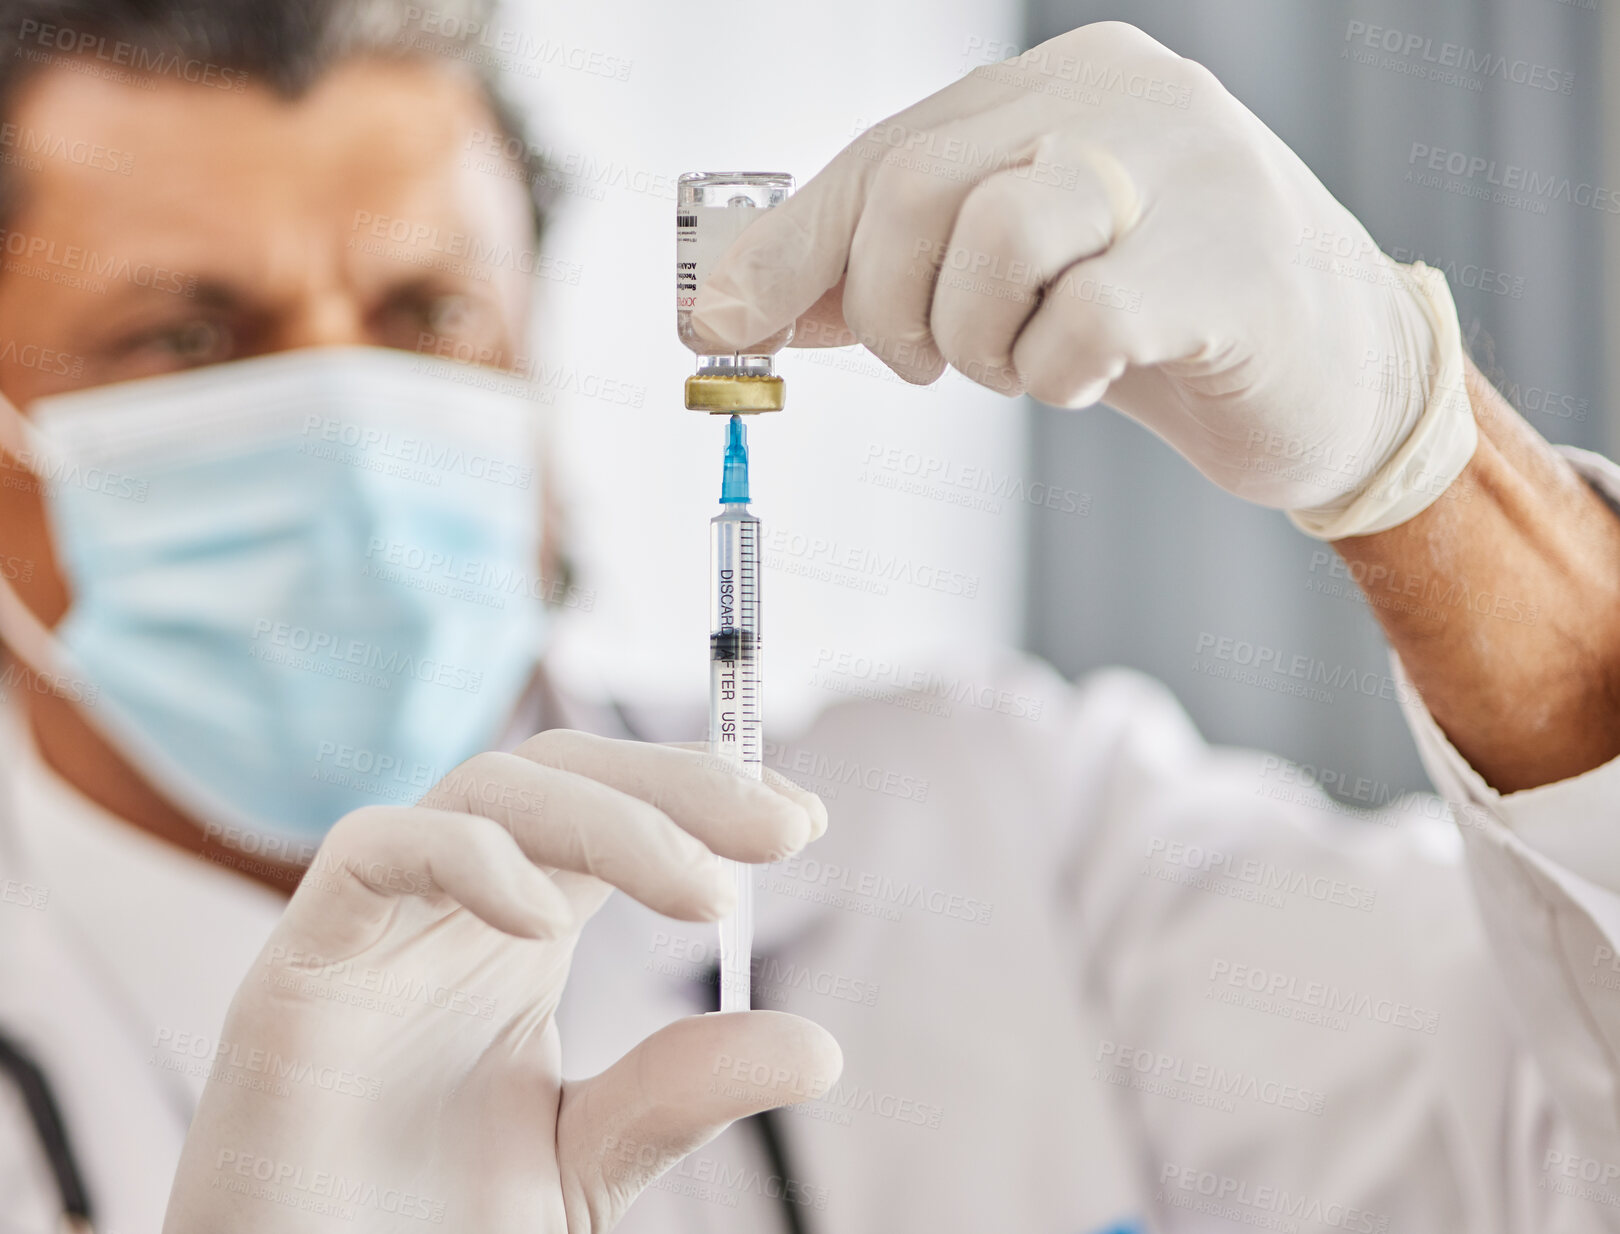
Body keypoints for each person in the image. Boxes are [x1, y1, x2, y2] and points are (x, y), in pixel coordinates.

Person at [0, 2, 1617, 1231]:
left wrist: (1424, 463)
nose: (351, 421)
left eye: (432, 315)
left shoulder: (1009, 845)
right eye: (186, 339)